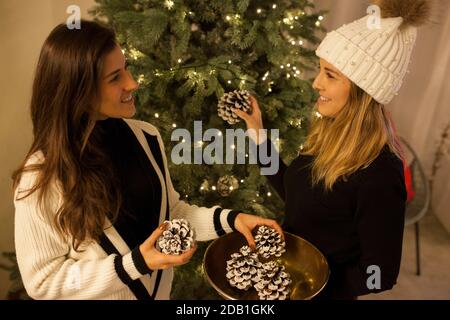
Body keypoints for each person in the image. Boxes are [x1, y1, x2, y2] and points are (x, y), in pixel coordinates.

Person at [12, 20, 283, 300]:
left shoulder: (146, 137)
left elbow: (171, 214)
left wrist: (232, 220)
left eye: (126, 68)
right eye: (114, 77)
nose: (133, 82)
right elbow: (43, 283)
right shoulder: (41, 175)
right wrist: (137, 263)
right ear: (78, 90)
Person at [234, 0, 430, 299]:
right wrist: (257, 133)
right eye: (320, 70)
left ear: (362, 91)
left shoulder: (380, 172)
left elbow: (381, 274)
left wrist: (317, 289)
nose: (316, 83)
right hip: (285, 280)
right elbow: (297, 194)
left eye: (330, 75)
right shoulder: (327, 132)